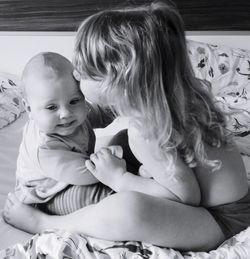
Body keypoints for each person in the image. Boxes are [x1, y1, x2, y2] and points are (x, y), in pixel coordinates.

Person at [3, 0, 250, 252]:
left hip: (218, 221)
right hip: (230, 204)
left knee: (127, 209)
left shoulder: (145, 130)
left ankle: (45, 222)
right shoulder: (176, 98)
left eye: (84, 72)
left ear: (115, 81)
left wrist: (119, 179)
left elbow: (188, 198)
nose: (75, 76)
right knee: (119, 140)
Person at [13, 52, 123, 215]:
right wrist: (117, 170)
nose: (65, 113)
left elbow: (102, 113)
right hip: (49, 195)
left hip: (76, 176)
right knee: (97, 196)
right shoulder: (45, 147)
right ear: (29, 109)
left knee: (123, 138)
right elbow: (85, 175)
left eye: (74, 101)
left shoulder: (73, 115)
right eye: (51, 107)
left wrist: (120, 100)